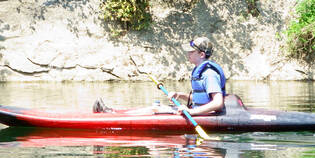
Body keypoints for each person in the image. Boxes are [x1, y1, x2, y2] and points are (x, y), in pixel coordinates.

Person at [93, 37, 228, 115]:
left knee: (155, 108)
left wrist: (191, 112)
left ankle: (112, 115)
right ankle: (114, 112)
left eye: (191, 52)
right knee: (154, 106)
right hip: (197, 112)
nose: (188, 54)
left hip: (204, 116)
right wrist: (181, 95)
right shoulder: (201, 72)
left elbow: (217, 103)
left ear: (201, 55)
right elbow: (202, 97)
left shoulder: (209, 74)